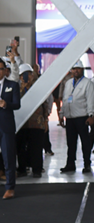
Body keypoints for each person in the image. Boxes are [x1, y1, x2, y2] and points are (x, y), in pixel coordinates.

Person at [59, 60, 94, 173]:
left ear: (82, 70)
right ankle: (70, 164)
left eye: (78, 69)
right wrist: (61, 114)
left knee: (85, 142)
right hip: (70, 118)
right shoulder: (68, 83)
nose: (76, 71)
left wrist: (91, 115)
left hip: (82, 118)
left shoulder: (87, 83)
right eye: (74, 69)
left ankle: (87, 164)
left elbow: (91, 100)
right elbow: (65, 100)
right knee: (71, 143)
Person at [16, 63, 49, 179]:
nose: (27, 77)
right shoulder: (17, 90)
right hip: (22, 124)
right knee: (21, 148)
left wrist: (46, 120)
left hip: (37, 123)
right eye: (24, 75)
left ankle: (37, 169)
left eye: (29, 75)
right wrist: (21, 89)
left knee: (36, 147)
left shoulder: (38, 88)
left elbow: (46, 105)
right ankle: (22, 169)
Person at [0, 58, 20, 199]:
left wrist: (6, 104)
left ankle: (10, 188)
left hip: (6, 126)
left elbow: (17, 104)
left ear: (5, 70)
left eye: (0, 69)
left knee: (8, 157)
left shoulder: (12, 85)